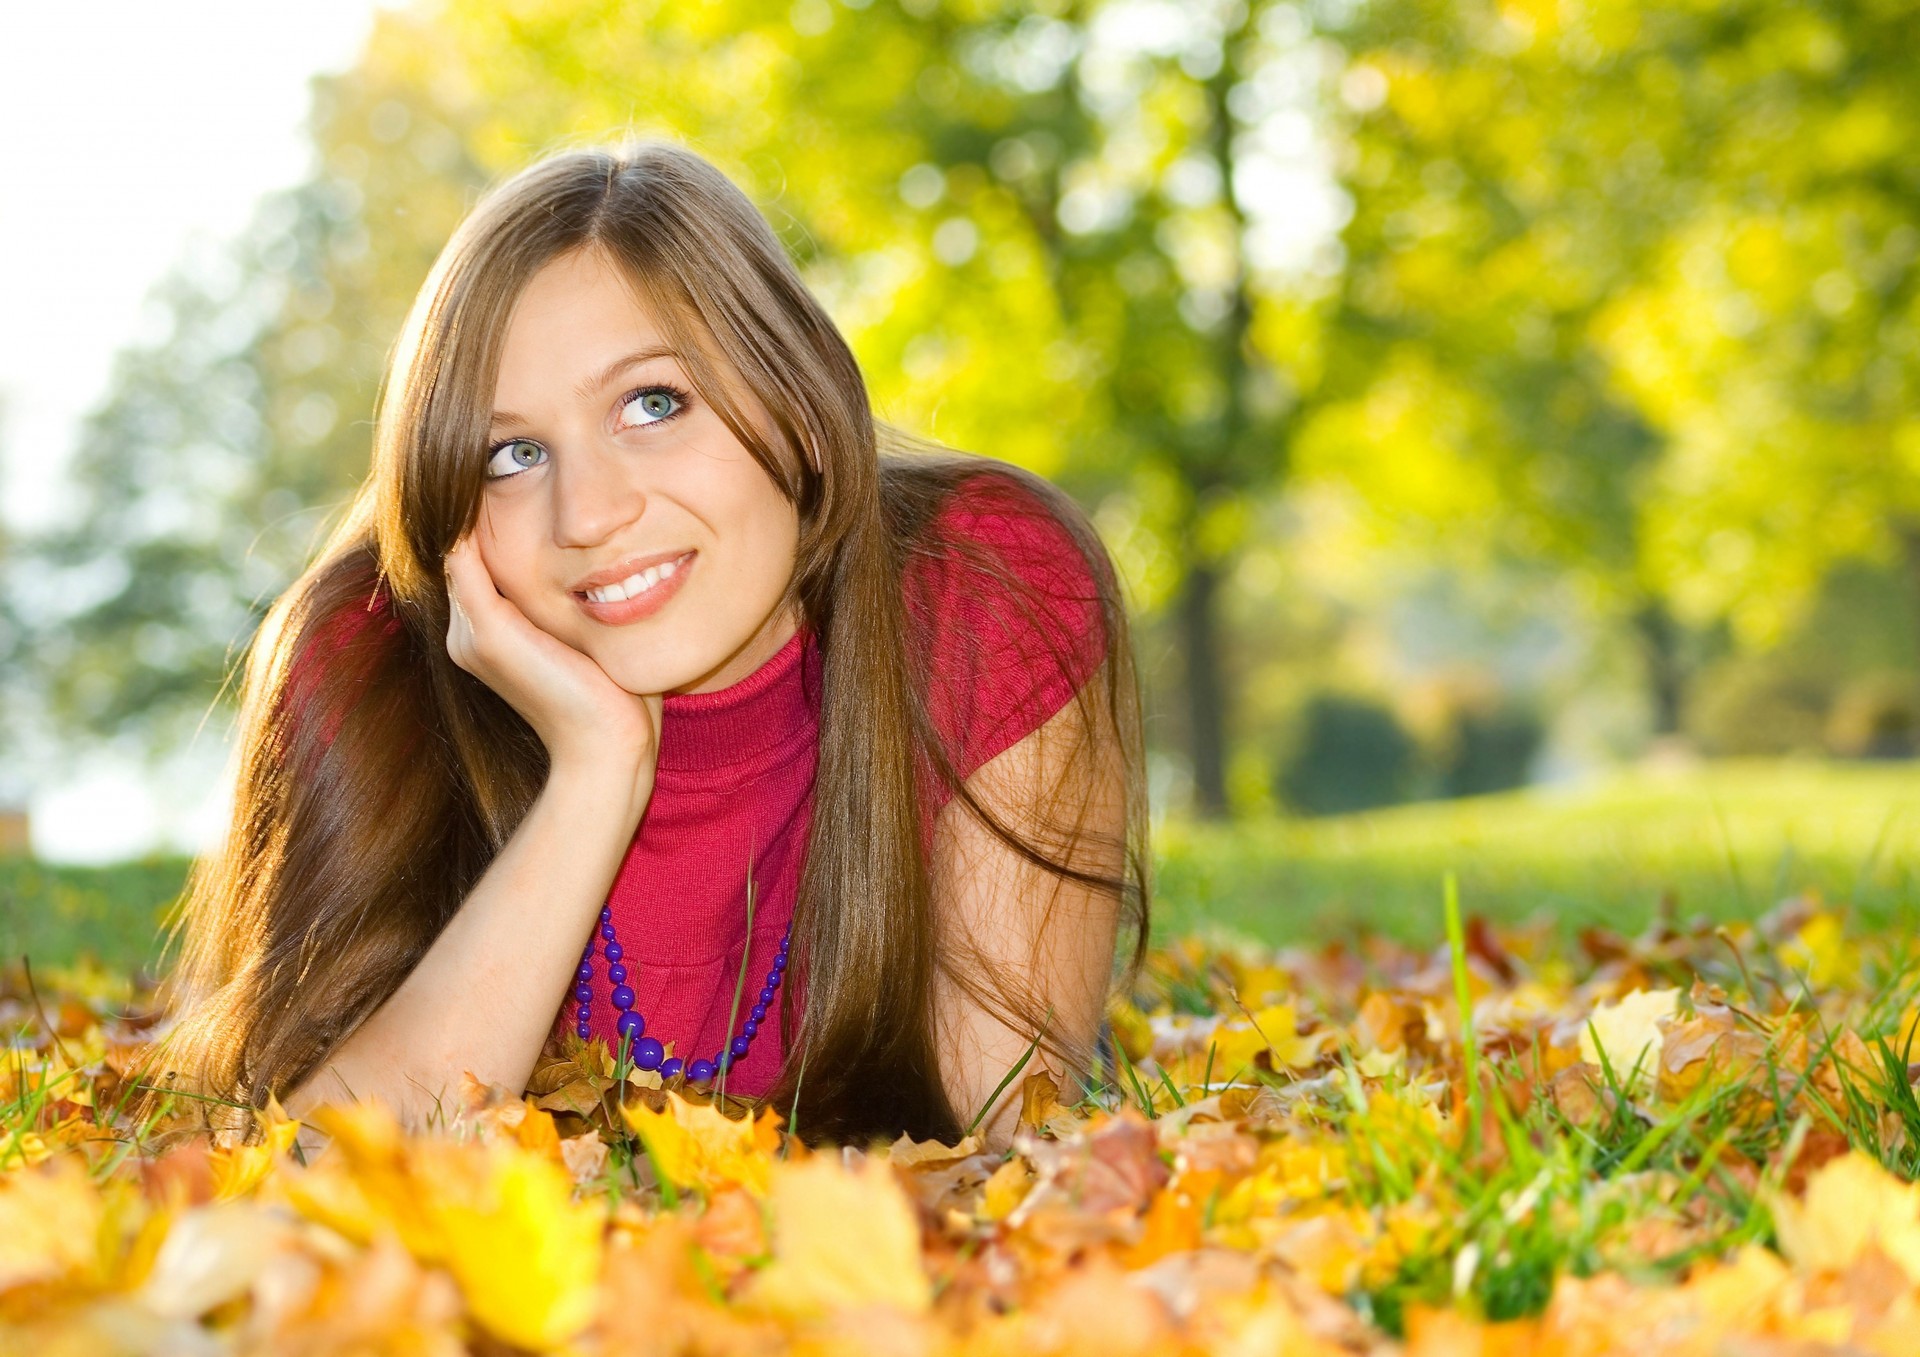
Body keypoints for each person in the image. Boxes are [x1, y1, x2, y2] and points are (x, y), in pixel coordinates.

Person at [131, 138, 1149, 1157]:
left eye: (653, 404)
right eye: (512, 455)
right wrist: (595, 773)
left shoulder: (983, 586)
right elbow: (310, 1171)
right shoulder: (367, 654)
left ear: (796, 402)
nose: (589, 513)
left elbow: (1008, 1135)